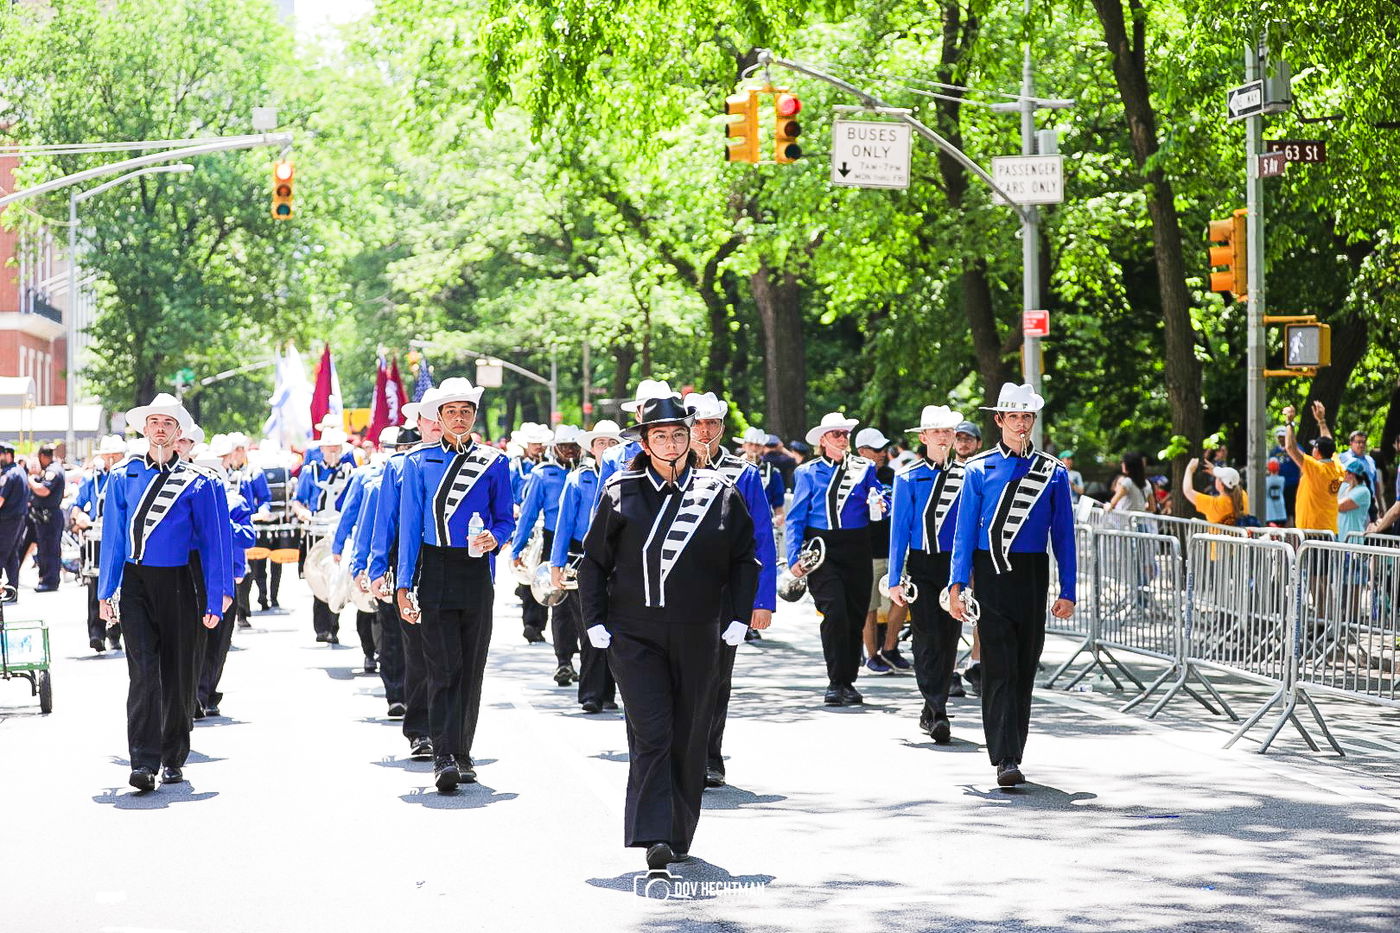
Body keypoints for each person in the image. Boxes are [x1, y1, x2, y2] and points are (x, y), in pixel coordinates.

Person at [578, 393, 757, 871]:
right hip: (634, 634)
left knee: (690, 733)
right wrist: (594, 621)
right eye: (661, 435)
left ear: (690, 437)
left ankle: (679, 833)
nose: (672, 442)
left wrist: (740, 615)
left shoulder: (719, 491)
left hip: (701, 632)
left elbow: (745, 558)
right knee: (653, 729)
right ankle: (653, 834)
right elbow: (594, 562)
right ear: (646, 440)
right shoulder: (621, 490)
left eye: (679, 433)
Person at [97, 394, 227, 791]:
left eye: (167, 423)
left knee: (178, 672)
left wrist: (216, 594)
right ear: (143, 428)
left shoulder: (200, 483)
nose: (159, 428)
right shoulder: (123, 476)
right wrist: (107, 592)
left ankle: (173, 757)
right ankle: (143, 761)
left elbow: (214, 543)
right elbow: (114, 539)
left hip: (178, 583)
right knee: (142, 673)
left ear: (178, 433)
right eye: (153, 421)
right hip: (135, 584)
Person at [949, 382, 1076, 788]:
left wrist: (1068, 590)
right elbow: (964, 533)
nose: (1021, 424)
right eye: (1014, 417)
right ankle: (1004, 757)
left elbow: (1064, 536)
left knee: (1023, 666)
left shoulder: (1053, 472)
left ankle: (1014, 751)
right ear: (999, 420)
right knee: (999, 665)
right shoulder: (977, 469)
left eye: (1027, 417)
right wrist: (955, 584)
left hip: (1032, 573)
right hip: (991, 573)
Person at [396, 378, 515, 792]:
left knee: (472, 667)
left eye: (466, 411)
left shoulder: (495, 462)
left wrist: (495, 538)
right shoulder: (417, 461)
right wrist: (403, 584)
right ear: (439, 418)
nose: (459, 418)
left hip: (476, 571)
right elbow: (409, 528)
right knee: (442, 666)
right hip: (434, 568)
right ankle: (444, 755)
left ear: (474, 415)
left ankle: (463, 753)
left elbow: (506, 519)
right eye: (451, 412)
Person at [684, 391, 776, 789]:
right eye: (698, 424)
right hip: (677, 589)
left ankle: (709, 756)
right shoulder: (672, 468)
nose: (705, 431)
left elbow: (762, 538)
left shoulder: (744, 473)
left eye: (712, 424)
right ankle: (680, 752)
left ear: (722, 428)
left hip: (725, 590)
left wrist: (762, 599)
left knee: (718, 676)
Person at [786, 412, 884, 706]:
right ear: (824, 440)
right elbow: (795, 519)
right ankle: (835, 680)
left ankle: (848, 681)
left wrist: (880, 502)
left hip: (857, 546)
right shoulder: (807, 472)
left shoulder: (864, 468)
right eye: (837, 434)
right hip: (823, 549)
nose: (843, 439)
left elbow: (878, 503)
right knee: (835, 612)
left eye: (845, 434)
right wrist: (793, 557)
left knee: (854, 615)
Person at [887, 405, 969, 744]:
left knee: (949, 636)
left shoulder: (968, 475)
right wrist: (895, 577)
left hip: (955, 564)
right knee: (925, 635)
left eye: (948, 431)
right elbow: (900, 531)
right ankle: (935, 707)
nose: (944, 436)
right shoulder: (908, 476)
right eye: (936, 431)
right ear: (923, 437)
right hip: (922, 563)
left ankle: (936, 705)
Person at [369, 392, 444, 760]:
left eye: (440, 417)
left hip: (452, 563)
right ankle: (420, 731)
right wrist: (378, 568)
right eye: (430, 418)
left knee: (450, 652)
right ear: (419, 425)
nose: (436, 424)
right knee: (416, 650)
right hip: (409, 563)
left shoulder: (462, 462)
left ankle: (450, 729)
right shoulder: (400, 466)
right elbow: (384, 523)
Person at [548, 419, 623, 714]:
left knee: (615, 626)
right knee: (589, 625)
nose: (606, 448)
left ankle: (609, 690)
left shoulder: (628, 477)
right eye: (600, 443)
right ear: (591, 448)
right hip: (583, 556)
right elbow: (563, 523)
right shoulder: (578, 479)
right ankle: (591, 692)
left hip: (619, 556)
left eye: (612, 443)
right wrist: (557, 564)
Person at [510, 424, 584, 686]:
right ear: (555, 449)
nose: (569, 452)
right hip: (555, 542)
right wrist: (517, 549)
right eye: (564, 447)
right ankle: (563, 661)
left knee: (588, 608)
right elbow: (528, 514)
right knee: (560, 604)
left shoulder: (590, 474)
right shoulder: (543, 475)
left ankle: (589, 664)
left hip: (587, 544)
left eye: (574, 446)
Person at [854, 426, 910, 674]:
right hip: (865, 550)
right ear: (861, 451)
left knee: (904, 596)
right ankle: (871, 654)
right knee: (869, 605)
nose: (881, 454)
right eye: (876, 450)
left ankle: (890, 647)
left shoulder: (892, 474)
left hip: (893, 549)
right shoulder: (852, 475)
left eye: (884, 449)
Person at [292, 429, 357, 643]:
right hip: (318, 530)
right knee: (319, 577)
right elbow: (298, 500)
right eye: (329, 449)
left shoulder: (350, 471)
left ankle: (334, 627)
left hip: (340, 530)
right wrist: (303, 513)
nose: (333, 453)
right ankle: (321, 628)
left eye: (337, 449)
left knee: (338, 578)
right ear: (321, 450)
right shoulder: (310, 471)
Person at [71, 435, 128, 650]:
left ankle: (116, 632)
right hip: (96, 537)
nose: (112, 459)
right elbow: (77, 505)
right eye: (108, 455)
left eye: (116, 455)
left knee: (122, 585)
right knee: (96, 586)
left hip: (119, 537)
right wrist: (80, 517)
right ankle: (96, 634)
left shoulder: (127, 477)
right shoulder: (90, 479)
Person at [509, 421, 553, 643]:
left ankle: (539, 622)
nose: (538, 447)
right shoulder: (515, 466)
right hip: (524, 522)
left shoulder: (551, 466)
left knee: (543, 574)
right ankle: (531, 623)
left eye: (541, 443)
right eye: (534, 443)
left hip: (546, 524)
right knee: (527, 574)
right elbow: (506, 493)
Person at [223, 432, 271, 627]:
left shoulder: (254, 472)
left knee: (249, 569)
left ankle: (243, 611)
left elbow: (265, 498)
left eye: (241, 449)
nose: (238, 453)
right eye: (235, 449)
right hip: (227, 526)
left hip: (245, 523)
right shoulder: (220, 471)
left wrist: (263, 512)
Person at [952, 420, 983, 695]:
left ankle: (976, 664)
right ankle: (949, 669)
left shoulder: (985, 470)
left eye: (968, 439)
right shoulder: (945, 470)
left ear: (978, 443)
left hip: (980, 549)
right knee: (950, 608)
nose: (963, 443)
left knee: (980, 610)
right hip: (950, 550)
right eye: (959, 438)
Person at [1282, 401, 1345, 534]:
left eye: (1314, 446)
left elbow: (1290, 448)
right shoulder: (1336, 466)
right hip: (1330, 529)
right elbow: (1328, 441)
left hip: (1312, 531)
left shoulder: (1317, 468)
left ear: (1317, 451)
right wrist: (1321, 420)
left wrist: (1289, 423)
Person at [26, 443, 65, 592]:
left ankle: (50, 581)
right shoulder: (50, 469)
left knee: (50, 549)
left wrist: (30, 481)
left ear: (42, 456)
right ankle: (46, 579)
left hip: (50, 516)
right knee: (45, 548)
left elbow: (43, 490)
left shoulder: (53, 470)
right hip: (45, 517)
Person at [0, 442, 31, 604]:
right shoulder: (20, 471)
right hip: (18, 520)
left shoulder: (9, 474)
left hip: (6, 521)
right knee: (12, 556)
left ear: (7, 454)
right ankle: (12, 592)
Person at [735, 426, 786, 523]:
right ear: (744, 445)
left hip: (762, 523)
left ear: (763, 447)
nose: (754, 448)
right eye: (751, 444)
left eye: (758, 445)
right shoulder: (732, 467)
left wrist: (777, 519)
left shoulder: (772, 472)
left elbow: (779, 508)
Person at [1183, 458, 1247, 524]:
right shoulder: (1242, 495)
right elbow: (1232, 482)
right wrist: (1215, 470)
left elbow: (1188, 491)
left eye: (1217, 477)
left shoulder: (1215, 505)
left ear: (1221, 486)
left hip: (1217, 534)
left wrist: (1189, 470)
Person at [1104, 452, 1156, 524]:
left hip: (1125, 524)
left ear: (1128, 465)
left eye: (1123, 462)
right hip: (1140, 524)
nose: (1122, 464)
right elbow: (1152, 508)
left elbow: (1113, 502)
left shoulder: (1128, 482)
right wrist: (1139, 508)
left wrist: (1107, 506)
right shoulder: (1147, 484)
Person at [1341, 430, 1382, 520]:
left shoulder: (1370, 460)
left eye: (1363, 442)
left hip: (1369, 504)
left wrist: (1379, 505)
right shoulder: (1342, 458)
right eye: (1358, 442)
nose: (1361, 445)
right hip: (1349, 501)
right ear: (1351, 443)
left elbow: (1375, 483)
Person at [1337, 460, 1373, 540]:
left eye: (1346, 471)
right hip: (1341, 539)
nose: (1343, 474)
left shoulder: (1363, 491)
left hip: (1353, 541)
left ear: (1352, 474)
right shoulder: (1345, 487)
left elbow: (1340, 506)